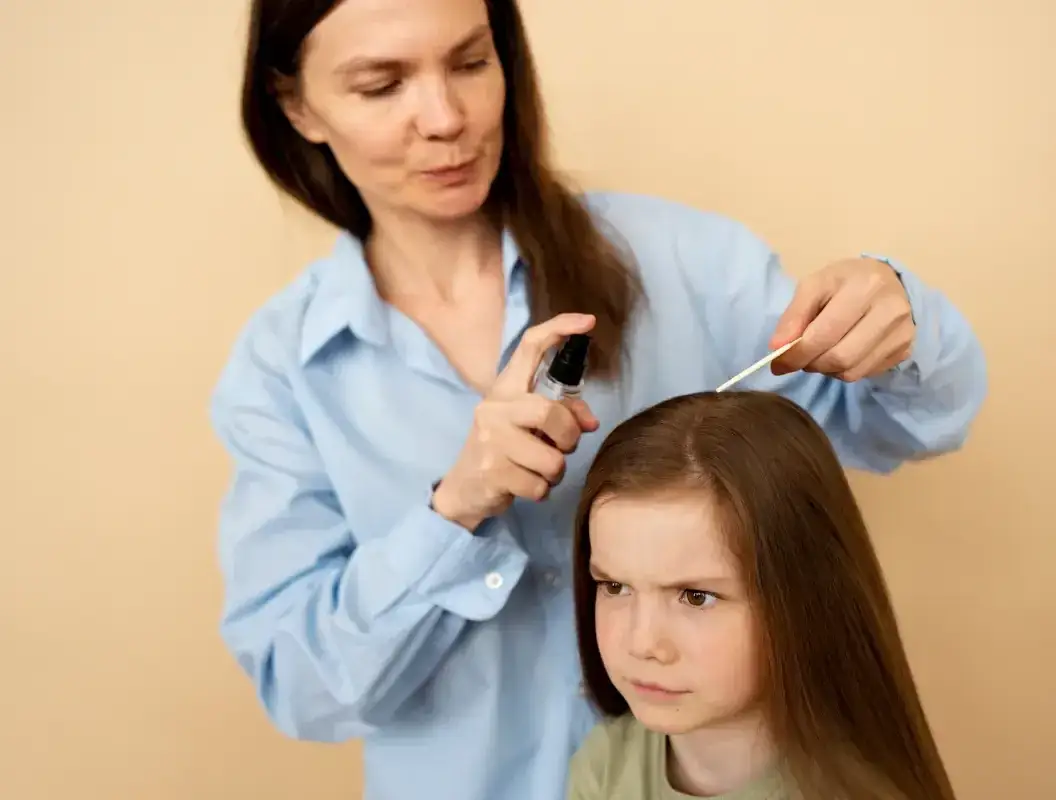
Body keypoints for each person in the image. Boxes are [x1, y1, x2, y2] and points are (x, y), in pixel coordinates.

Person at [212, 0, 986, 798]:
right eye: (382, 85)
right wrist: (455, 510)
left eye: (472, 63)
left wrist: (899, 320)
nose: (446, 118)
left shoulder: (685, 264)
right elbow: (306, 690)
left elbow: (901, 424)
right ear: (297, 105)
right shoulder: (284, 372)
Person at [568, 390, 958, 800]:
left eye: (696, 596)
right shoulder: (607, 762)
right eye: (615, 587)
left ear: (801, 597)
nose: (642, 643)